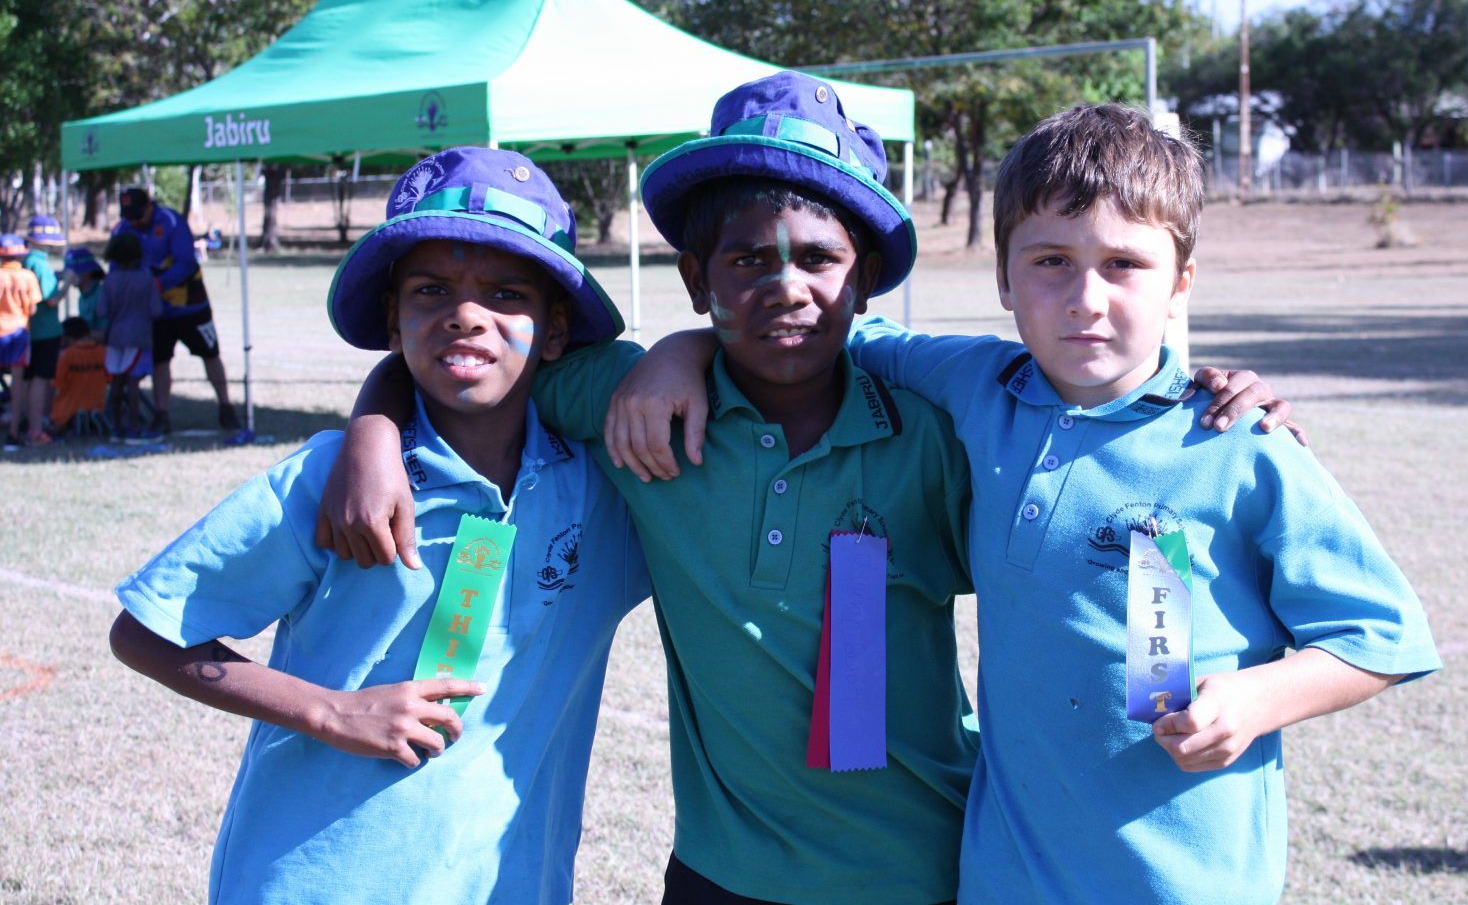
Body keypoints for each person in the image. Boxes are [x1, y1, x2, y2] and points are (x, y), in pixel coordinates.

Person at [318, 76, 1287, 904]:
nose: (785, 287)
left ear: (864, 279)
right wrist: (372, 429)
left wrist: (1202, 395)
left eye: (820, 260)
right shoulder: (631, 400)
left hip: (924, 865)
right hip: (721, 870)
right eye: (745, 262)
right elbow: (465, 356)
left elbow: (1096, 421)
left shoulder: (941, 428)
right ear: (696, 278)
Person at [611, 103, 1438, 905]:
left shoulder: (1235, 442)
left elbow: (1382, 635)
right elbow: (813, 323)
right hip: (1003, 877)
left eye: (1124, 264)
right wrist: (677, 352)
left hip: (1186, 883)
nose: (1086, 297)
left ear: (1181, 282)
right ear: (1003, 278)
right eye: (1050, 262)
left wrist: (1257, 700)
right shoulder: (975, 387)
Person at [108, 148, 647, 905]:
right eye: (431, 291)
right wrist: (333, 711)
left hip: (508, 884)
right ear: (394, 322)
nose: (465, 313)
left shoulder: (604, 490)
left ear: (555, 331)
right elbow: (144, 633)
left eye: (506, 292)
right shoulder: (327, 479)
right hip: (310, 881)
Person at [113, 185, 236, 431]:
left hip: (191, 306)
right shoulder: (124, 228)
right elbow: (116, 264)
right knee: (161, 361)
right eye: (129, 216)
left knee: (210, 355)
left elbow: (186, 263)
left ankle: (226, 407)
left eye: (138, 215)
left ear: (150, 206)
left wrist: (155, 284)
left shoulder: (171, 221)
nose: (134, 221)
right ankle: (162, 415)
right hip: (157, 312)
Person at [98, 232, 163, 440]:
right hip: (138, 337)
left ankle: (116, 427)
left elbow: (102, 311)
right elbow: (156, 310)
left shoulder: (110, 280)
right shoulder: (146, 279)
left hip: (115, 338)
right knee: (134, 384)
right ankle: (133, 427)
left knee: (116, 383)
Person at [14, 214, 67, 445]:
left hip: (26, 330)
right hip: (45, 331)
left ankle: (27, 422)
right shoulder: (41, 263)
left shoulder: (23, 260)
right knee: (40, 380)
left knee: (26, 379)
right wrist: (69, 284)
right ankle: (37, 429)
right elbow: (51, 299)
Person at [0, 232, 43, 451]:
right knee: (18, 385)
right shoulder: (27, 277)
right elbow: (33, 308)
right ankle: (14, 432)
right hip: (18, 334)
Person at [49, 316, 109, 434]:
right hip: (97, 402)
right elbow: (110, 378)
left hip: (68, 407)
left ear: (68, 338)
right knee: (93, 410)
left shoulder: (67, 355)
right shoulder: (104, 352)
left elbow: (57, 384)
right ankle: (93, 417)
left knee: (57, 426)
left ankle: (76, 420)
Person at [63, 246, 108, 339]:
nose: (68, 277)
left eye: (72, 273)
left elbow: (106, 332)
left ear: (86, 272)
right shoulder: (82, 298)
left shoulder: (101, 295)